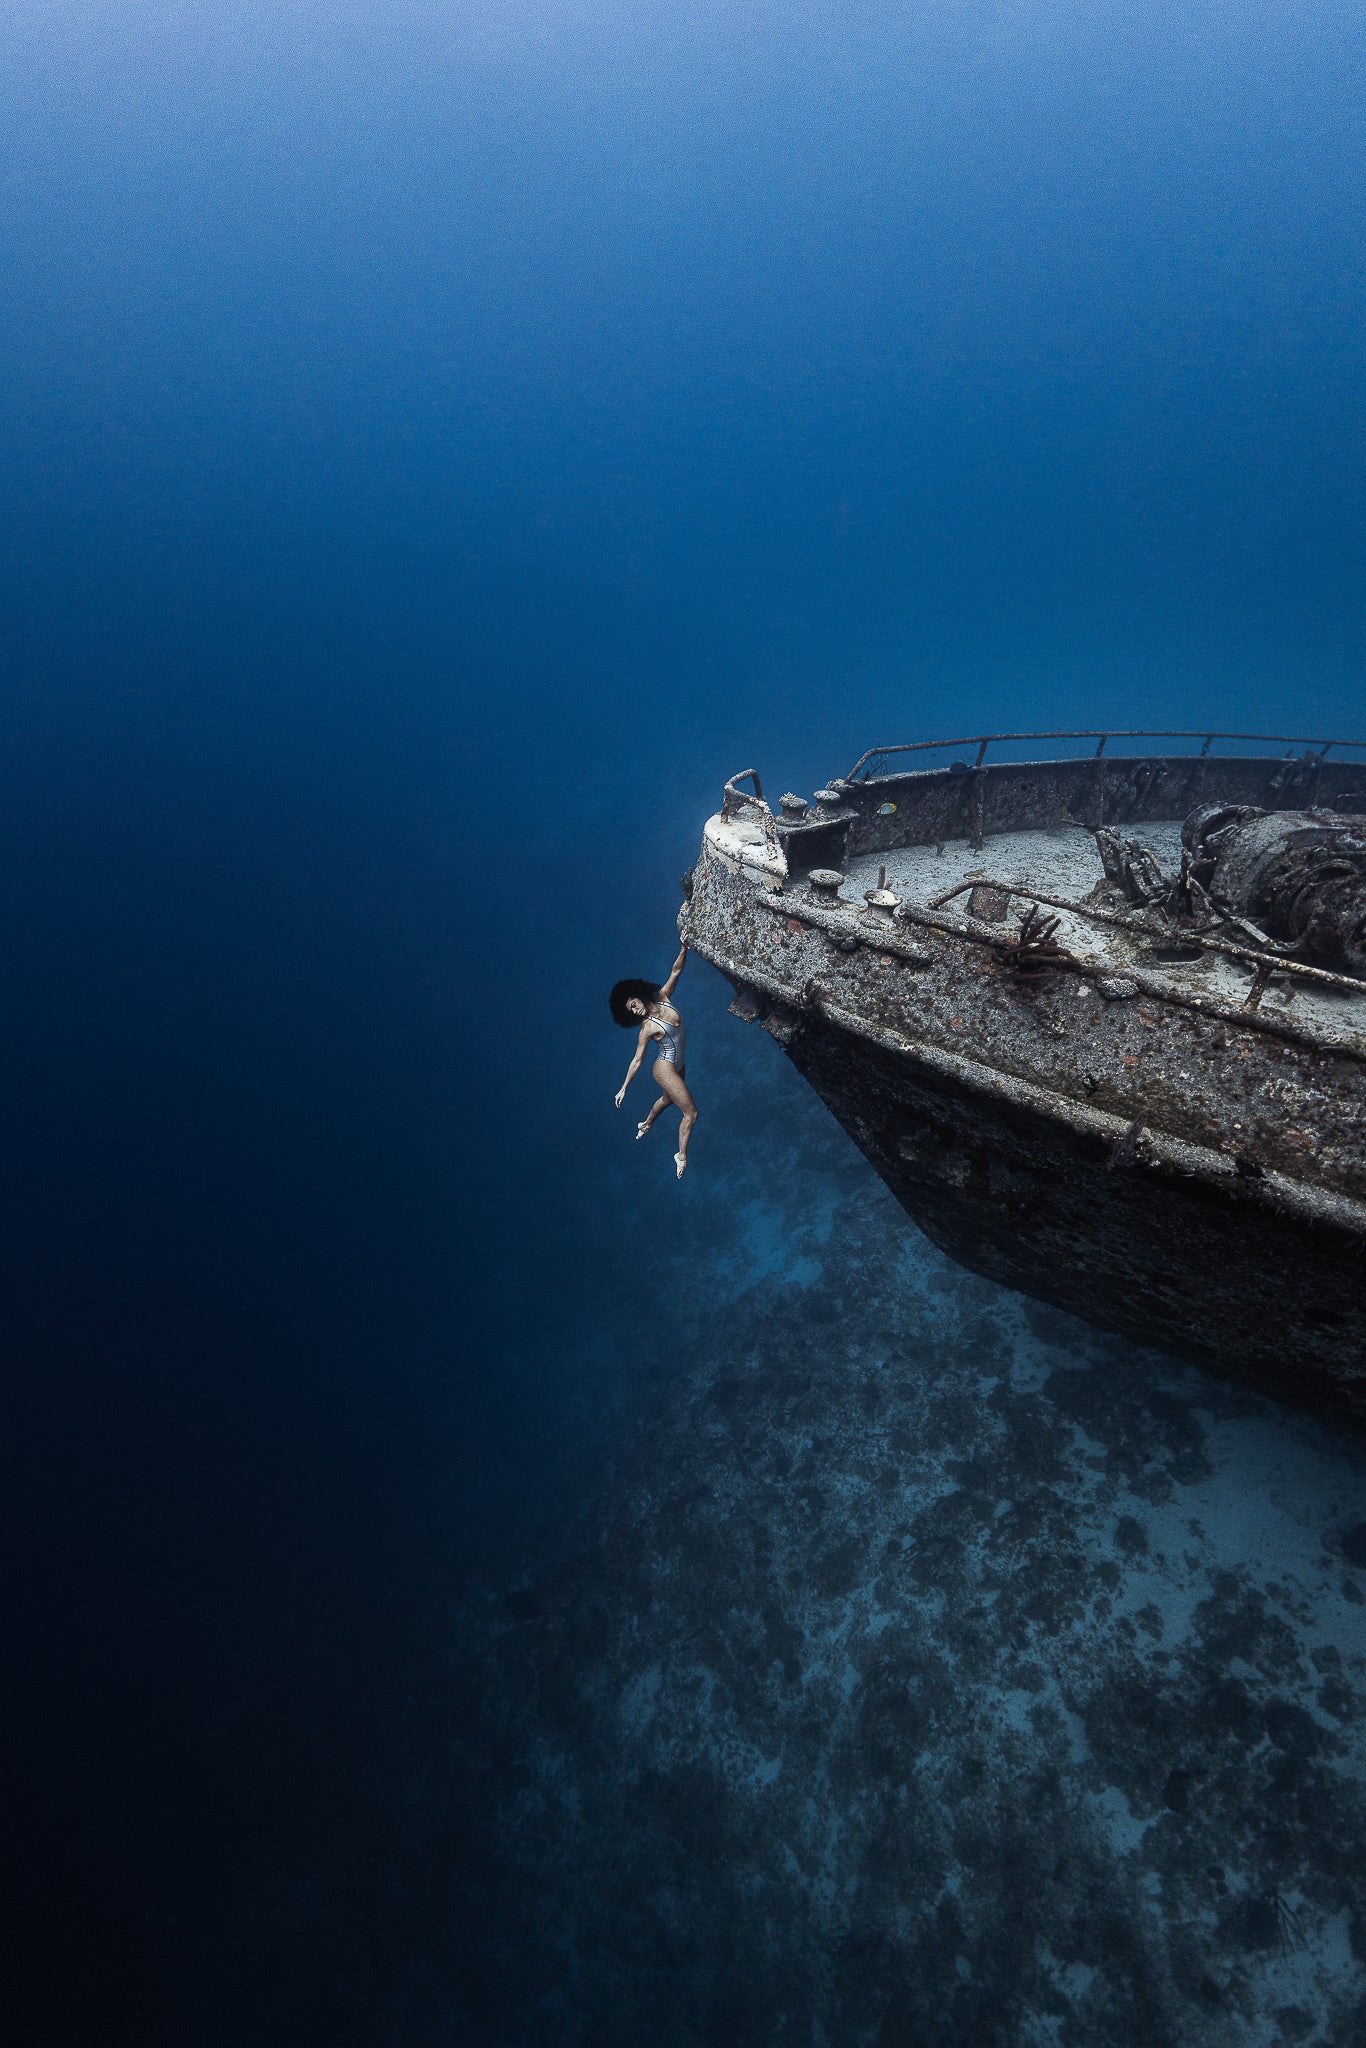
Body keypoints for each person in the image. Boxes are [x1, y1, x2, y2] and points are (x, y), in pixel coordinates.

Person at [610, 943, 697, 1178]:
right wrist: (623, 1088)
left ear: (639, 995)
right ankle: (681, 1155)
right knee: (690, 1113)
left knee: (667, 1100)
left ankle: (646, 1124)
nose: (635, 1011)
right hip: (664, 1068)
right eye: (630, 1010)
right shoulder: (647, 1028)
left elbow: (676, 971)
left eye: (634, 1005)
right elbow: (637, 1060)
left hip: (679, 1065)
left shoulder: (663, 997)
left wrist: (683, 947)